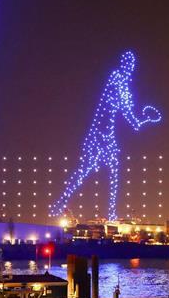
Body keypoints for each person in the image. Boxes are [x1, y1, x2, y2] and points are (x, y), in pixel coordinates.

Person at [51, 51, 161, 221]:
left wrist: (145, 119)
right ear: (126, 65)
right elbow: (131, 119)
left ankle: (104, 213)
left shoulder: (119, 83)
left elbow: (132, 121)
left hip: (105, 135)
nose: (129, 68)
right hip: (99, 135)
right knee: (86, 172)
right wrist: (145, 118)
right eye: (128, 64)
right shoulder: (117, 80)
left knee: (104, 172)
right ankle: (61, 205)